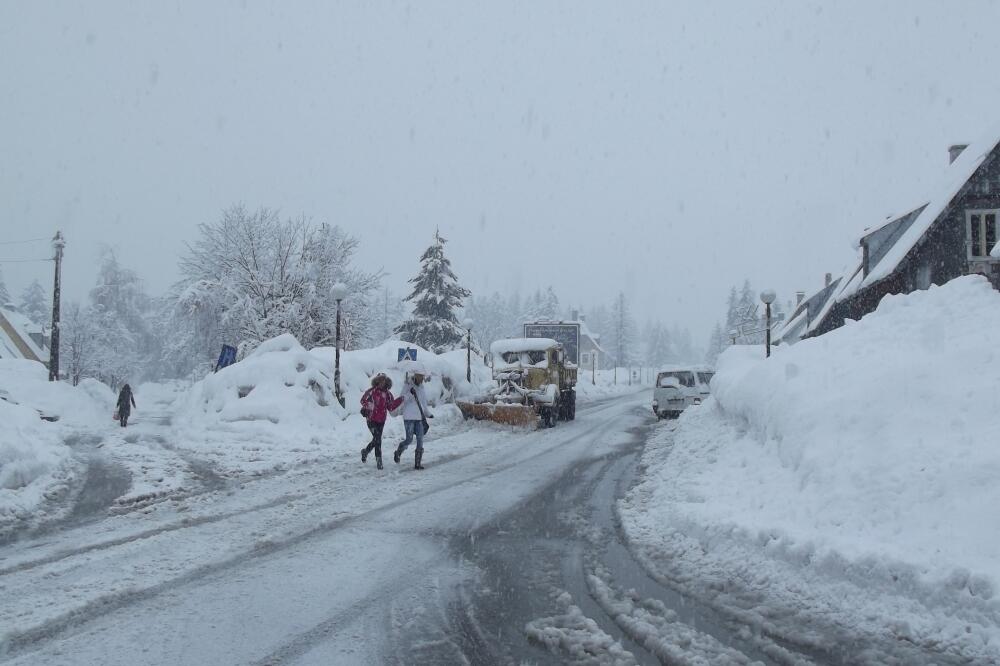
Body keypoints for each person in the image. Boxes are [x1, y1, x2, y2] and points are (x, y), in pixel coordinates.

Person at [359, 373, 402, 470]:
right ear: (377, 381)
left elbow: (390, 407)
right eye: (380, 380)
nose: (382, 382)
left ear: (386, 381)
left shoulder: (388, 394)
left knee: (377, 440)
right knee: (378, 439)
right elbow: (362, 400)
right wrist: (370, 405)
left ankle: (365, 451)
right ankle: (379, 462)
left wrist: (400, 399)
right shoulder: (372, 391)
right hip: (371, 419)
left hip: (381, 420)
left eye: (383, 380)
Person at [393, 371, 431, 470]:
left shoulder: (422, 388)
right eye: (420, 376)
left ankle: (417, 463)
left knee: (420, 439)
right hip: (409, 416)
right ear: (415, 376)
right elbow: (401, 399)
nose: (422, 378)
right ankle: (398, 451)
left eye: (423, 376)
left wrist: (427, 413)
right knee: (409, 439)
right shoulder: (407, 385)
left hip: (419, 417)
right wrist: (410, 393)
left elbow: (423, 403)